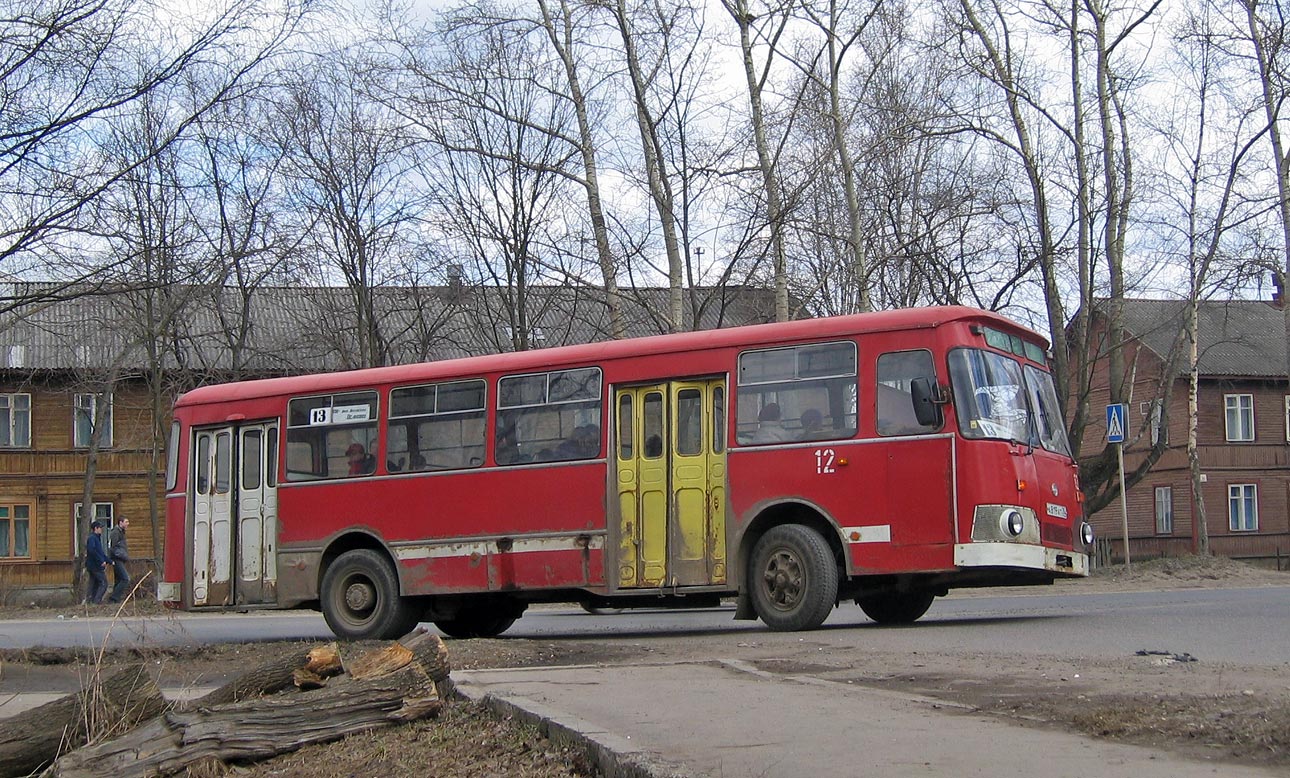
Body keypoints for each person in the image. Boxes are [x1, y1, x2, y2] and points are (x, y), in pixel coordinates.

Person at [107, 517, 131, 604]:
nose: (128, 524)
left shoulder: (121, 532)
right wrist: (120, 555)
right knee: (125, 579)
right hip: (117, 559)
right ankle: (114, 597)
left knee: (118, 580)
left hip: (120, 558)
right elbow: (113, 547)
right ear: (121, 522)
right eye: (126, 522)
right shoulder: (115, 532)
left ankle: (114, 601)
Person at [85, 520, 109, 604]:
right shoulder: (92, 538)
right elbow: (92, 551)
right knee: (103, 583)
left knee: (94, 584)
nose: (101, 530)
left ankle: (90, 601)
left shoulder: (96, 538)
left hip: (94, 565)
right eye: (100, 528)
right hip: (95, 566)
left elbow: (100, 553)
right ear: (96, 528)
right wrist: (101, 561)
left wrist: (109, 560)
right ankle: (97, 601)